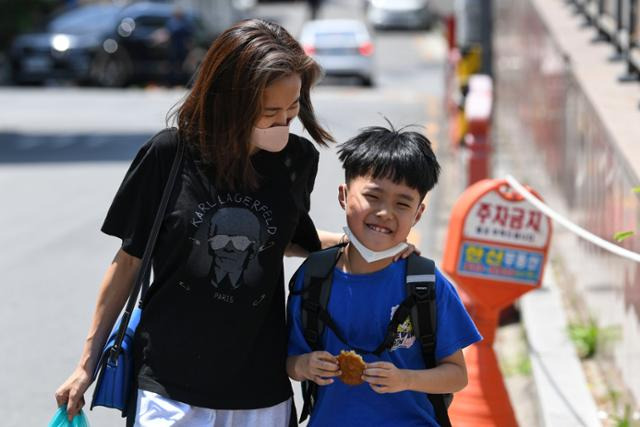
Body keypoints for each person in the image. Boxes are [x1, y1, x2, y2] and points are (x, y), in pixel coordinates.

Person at [54, 19, 350, 426]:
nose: (285, 122)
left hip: (259, 387)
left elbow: (281, 239)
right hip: (169, 383)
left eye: (294, 107)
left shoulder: (297, 160)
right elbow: (129, 262)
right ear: (231, 102)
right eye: (270, 112)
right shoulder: (169, 154)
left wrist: (362, 244)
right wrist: (86, 364)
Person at [286, 124, 483, 426]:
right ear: (343, 196)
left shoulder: (426, 285)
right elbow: (289, 362)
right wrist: (304, 365)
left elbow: (456, 375)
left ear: (418, 214)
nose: (384, 212)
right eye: (373, 197)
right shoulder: (312, 279)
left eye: (402, 203)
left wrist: (406, 379)